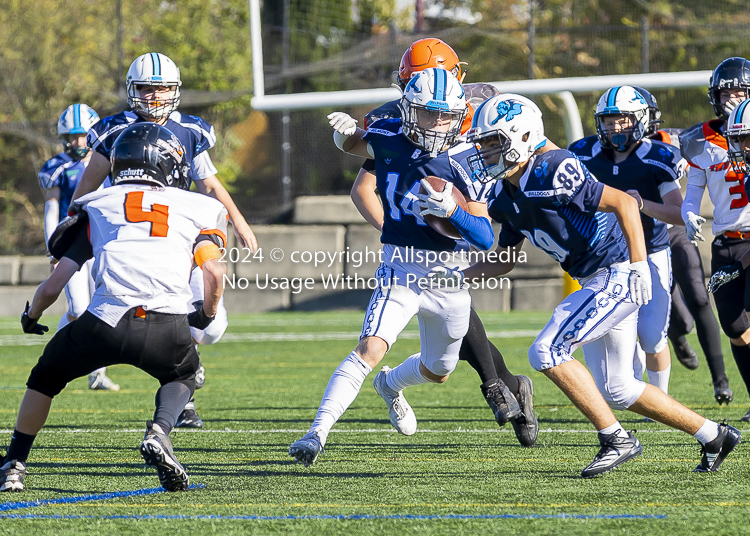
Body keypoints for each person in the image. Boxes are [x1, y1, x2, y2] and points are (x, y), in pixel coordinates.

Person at [457, 93, 740, 477]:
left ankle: (616, 439)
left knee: (548, 351)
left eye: (494, 144)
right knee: (619, 387)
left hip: (618, 271)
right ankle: (714, 435)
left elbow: (624, 204)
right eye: (484, 145)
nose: (486, 154)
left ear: (523, 138)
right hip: (595, 278)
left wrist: (640, 268)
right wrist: (453, 279)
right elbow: (504, 259)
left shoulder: (554, 168)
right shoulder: (507, 192)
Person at [0, 123, 227, 492]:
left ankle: (14, 464)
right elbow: (214, 272)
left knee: (44, 379)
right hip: (167, 323)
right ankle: (159, 430)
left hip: (104, 321)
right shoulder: (200, 208)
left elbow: (55, 283)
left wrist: (32, 316)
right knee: (183, 375)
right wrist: (206, 313)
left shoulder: (97, 205)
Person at [289, 68, 497, 467]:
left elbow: (485, 239)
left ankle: (390, 384)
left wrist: (454, 211)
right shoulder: (388, 136)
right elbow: (356, 144)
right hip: (401, 266)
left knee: (440, 371)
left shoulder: (469, 159)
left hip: (450, 277)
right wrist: (344, 132)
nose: (438, 123)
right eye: (428, 113)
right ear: (408, 110)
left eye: (446, 115)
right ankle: (317, 432)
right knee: (371, 346)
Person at [352, 38, 537, 446]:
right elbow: (362, 189)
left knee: (461, 294)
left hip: (503, 201)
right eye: (415, 85)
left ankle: (503, 384)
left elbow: (535, 141)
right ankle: (502, 385)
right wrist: (404, 229)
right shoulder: (402, 123)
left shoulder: (486, 105)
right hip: (447, 218)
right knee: (451, 302)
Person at [71, 52, 258, 428]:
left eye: (163, 91)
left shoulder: (191, 129)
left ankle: (188, 362)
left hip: (181, 240)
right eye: (147, 90)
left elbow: (209, 182)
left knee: (212, 326)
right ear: (131, 91)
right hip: (130, 244)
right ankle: (182, 400)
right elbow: (87, 185)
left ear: (176, 91)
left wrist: (238, 220)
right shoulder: (111, 130)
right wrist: (71, 229)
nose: (155, 98)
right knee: (146, 321)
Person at [569, 86, 684, 399]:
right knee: (621, 330)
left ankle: (661, 397)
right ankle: (635, 394)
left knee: (652, 336)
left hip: (652, 252)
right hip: (606, 258)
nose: (615, 127)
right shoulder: (582, 153)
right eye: (609, 121)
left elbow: (680, 214)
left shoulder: (657, 156)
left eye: (623, 120)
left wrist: (642, 204)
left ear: (642, 120)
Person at [633, 86, 732, 404]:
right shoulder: (604, 152)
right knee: (669, 317)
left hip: (673, 229)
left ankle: (720, 380)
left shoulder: (673, 141)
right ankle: (674, 335)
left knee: (700, 299)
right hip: (638, 238)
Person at [679, 56, 750, 420]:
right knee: (736, 327)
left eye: (739, 92)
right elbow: (693, 192)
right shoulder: (699, 141)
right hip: (726, 241)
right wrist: (689, 212)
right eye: (726, 93)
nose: (732, 100)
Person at [37, 104, 120, 392]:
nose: (78, 142)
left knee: (101, 307)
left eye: (83, 136)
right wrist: (53, 249)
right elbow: (51, 212)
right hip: (73, 243)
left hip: (101, 241)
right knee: (78, 307)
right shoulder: (57, 167)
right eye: (72, 137)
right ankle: (56, 356)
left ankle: (97, 373)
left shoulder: (109, 161)